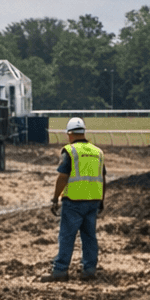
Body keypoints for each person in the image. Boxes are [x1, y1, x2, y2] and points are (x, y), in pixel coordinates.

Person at [49, 116, 105, 281]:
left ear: (70, 134)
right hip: (93, 200)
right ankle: (89, 269)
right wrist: (101, 200)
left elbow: (62, 177)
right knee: (89, 236)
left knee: (67, 236)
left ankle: (60, 270)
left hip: (73, 201)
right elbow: (103, 178)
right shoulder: (98, 152)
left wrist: (55, 199)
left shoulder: (70, 151)